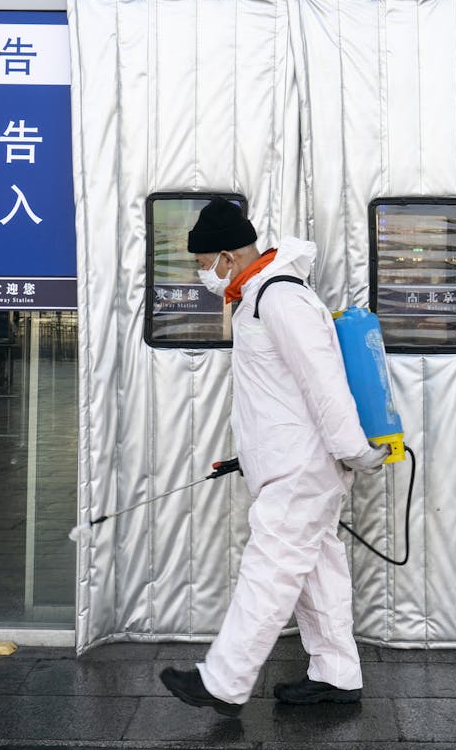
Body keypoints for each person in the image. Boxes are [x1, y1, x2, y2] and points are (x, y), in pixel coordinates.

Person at [159, 197, 389, 717]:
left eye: (203, 266)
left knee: (271, 567)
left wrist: (356, 450)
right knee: (316, 568)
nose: (204, 277)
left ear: (226, 256)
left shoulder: (280, 298)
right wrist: (251, 454)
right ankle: (337, 673)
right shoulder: (257, 297)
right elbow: (277, 397)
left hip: (301, 472)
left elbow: (324, 383)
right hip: (291, 464)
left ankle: (224, 680)